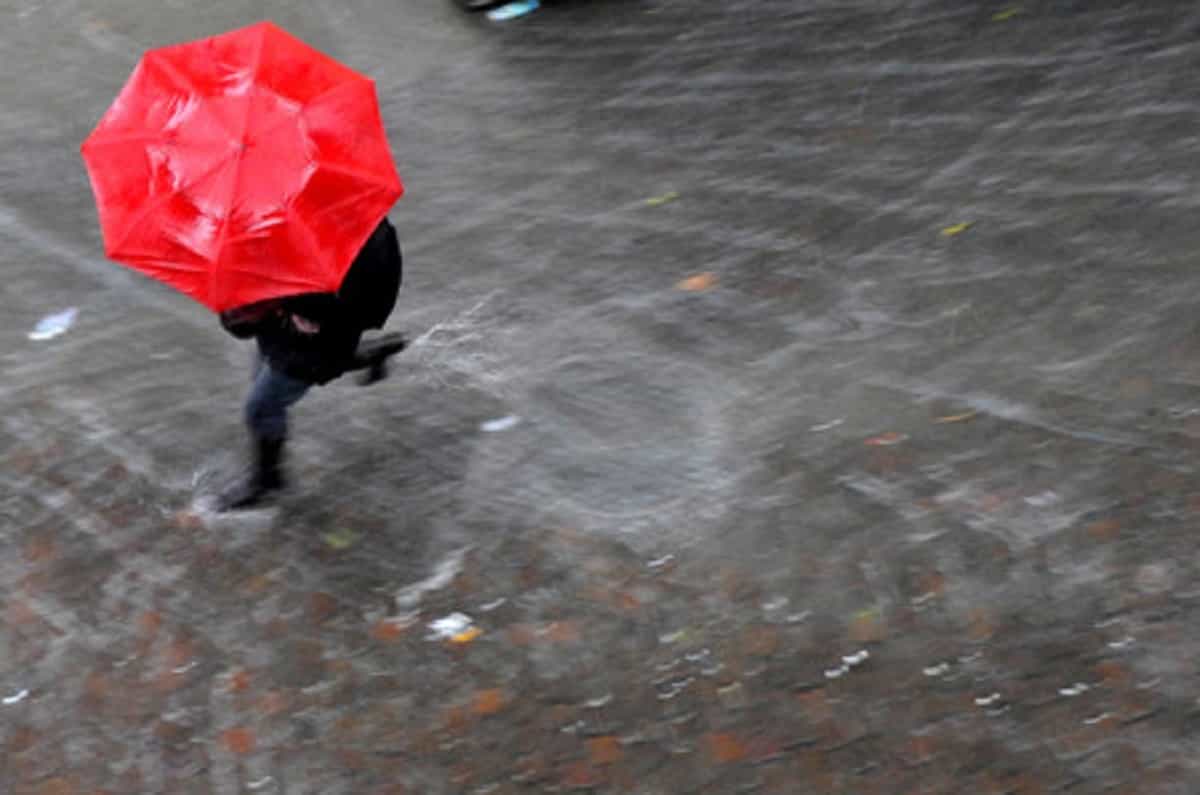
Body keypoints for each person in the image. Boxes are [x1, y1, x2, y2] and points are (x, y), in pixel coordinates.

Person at [215, 217, 407, 511]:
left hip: (316, 344)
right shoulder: (271, 229)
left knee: (261, 407)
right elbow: (243, 324)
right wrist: (242, 313)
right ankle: (373, 353)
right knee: (268, 375)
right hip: (285, 337)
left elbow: (352, 309)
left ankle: (267, 482)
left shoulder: (355, 245)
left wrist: (298, 308)